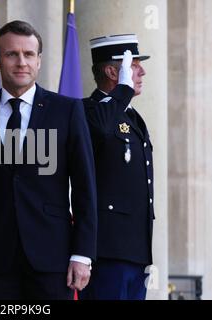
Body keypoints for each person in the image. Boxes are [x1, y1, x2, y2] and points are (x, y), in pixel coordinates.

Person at [0, 20, 97, 300]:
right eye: (12, 54)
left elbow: (85, 186)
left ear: (39, 61)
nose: (21, 62)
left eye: (29, 54)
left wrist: (83, 253)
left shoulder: (67, 111)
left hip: (52, 254)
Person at [79, 34, 154, 300]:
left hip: (135, 250)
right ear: (114, 71)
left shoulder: (131, 117)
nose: (142, 71)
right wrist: (122, 90)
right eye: (134, 64)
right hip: (107, 249)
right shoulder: (88, 111)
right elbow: (100, 127)